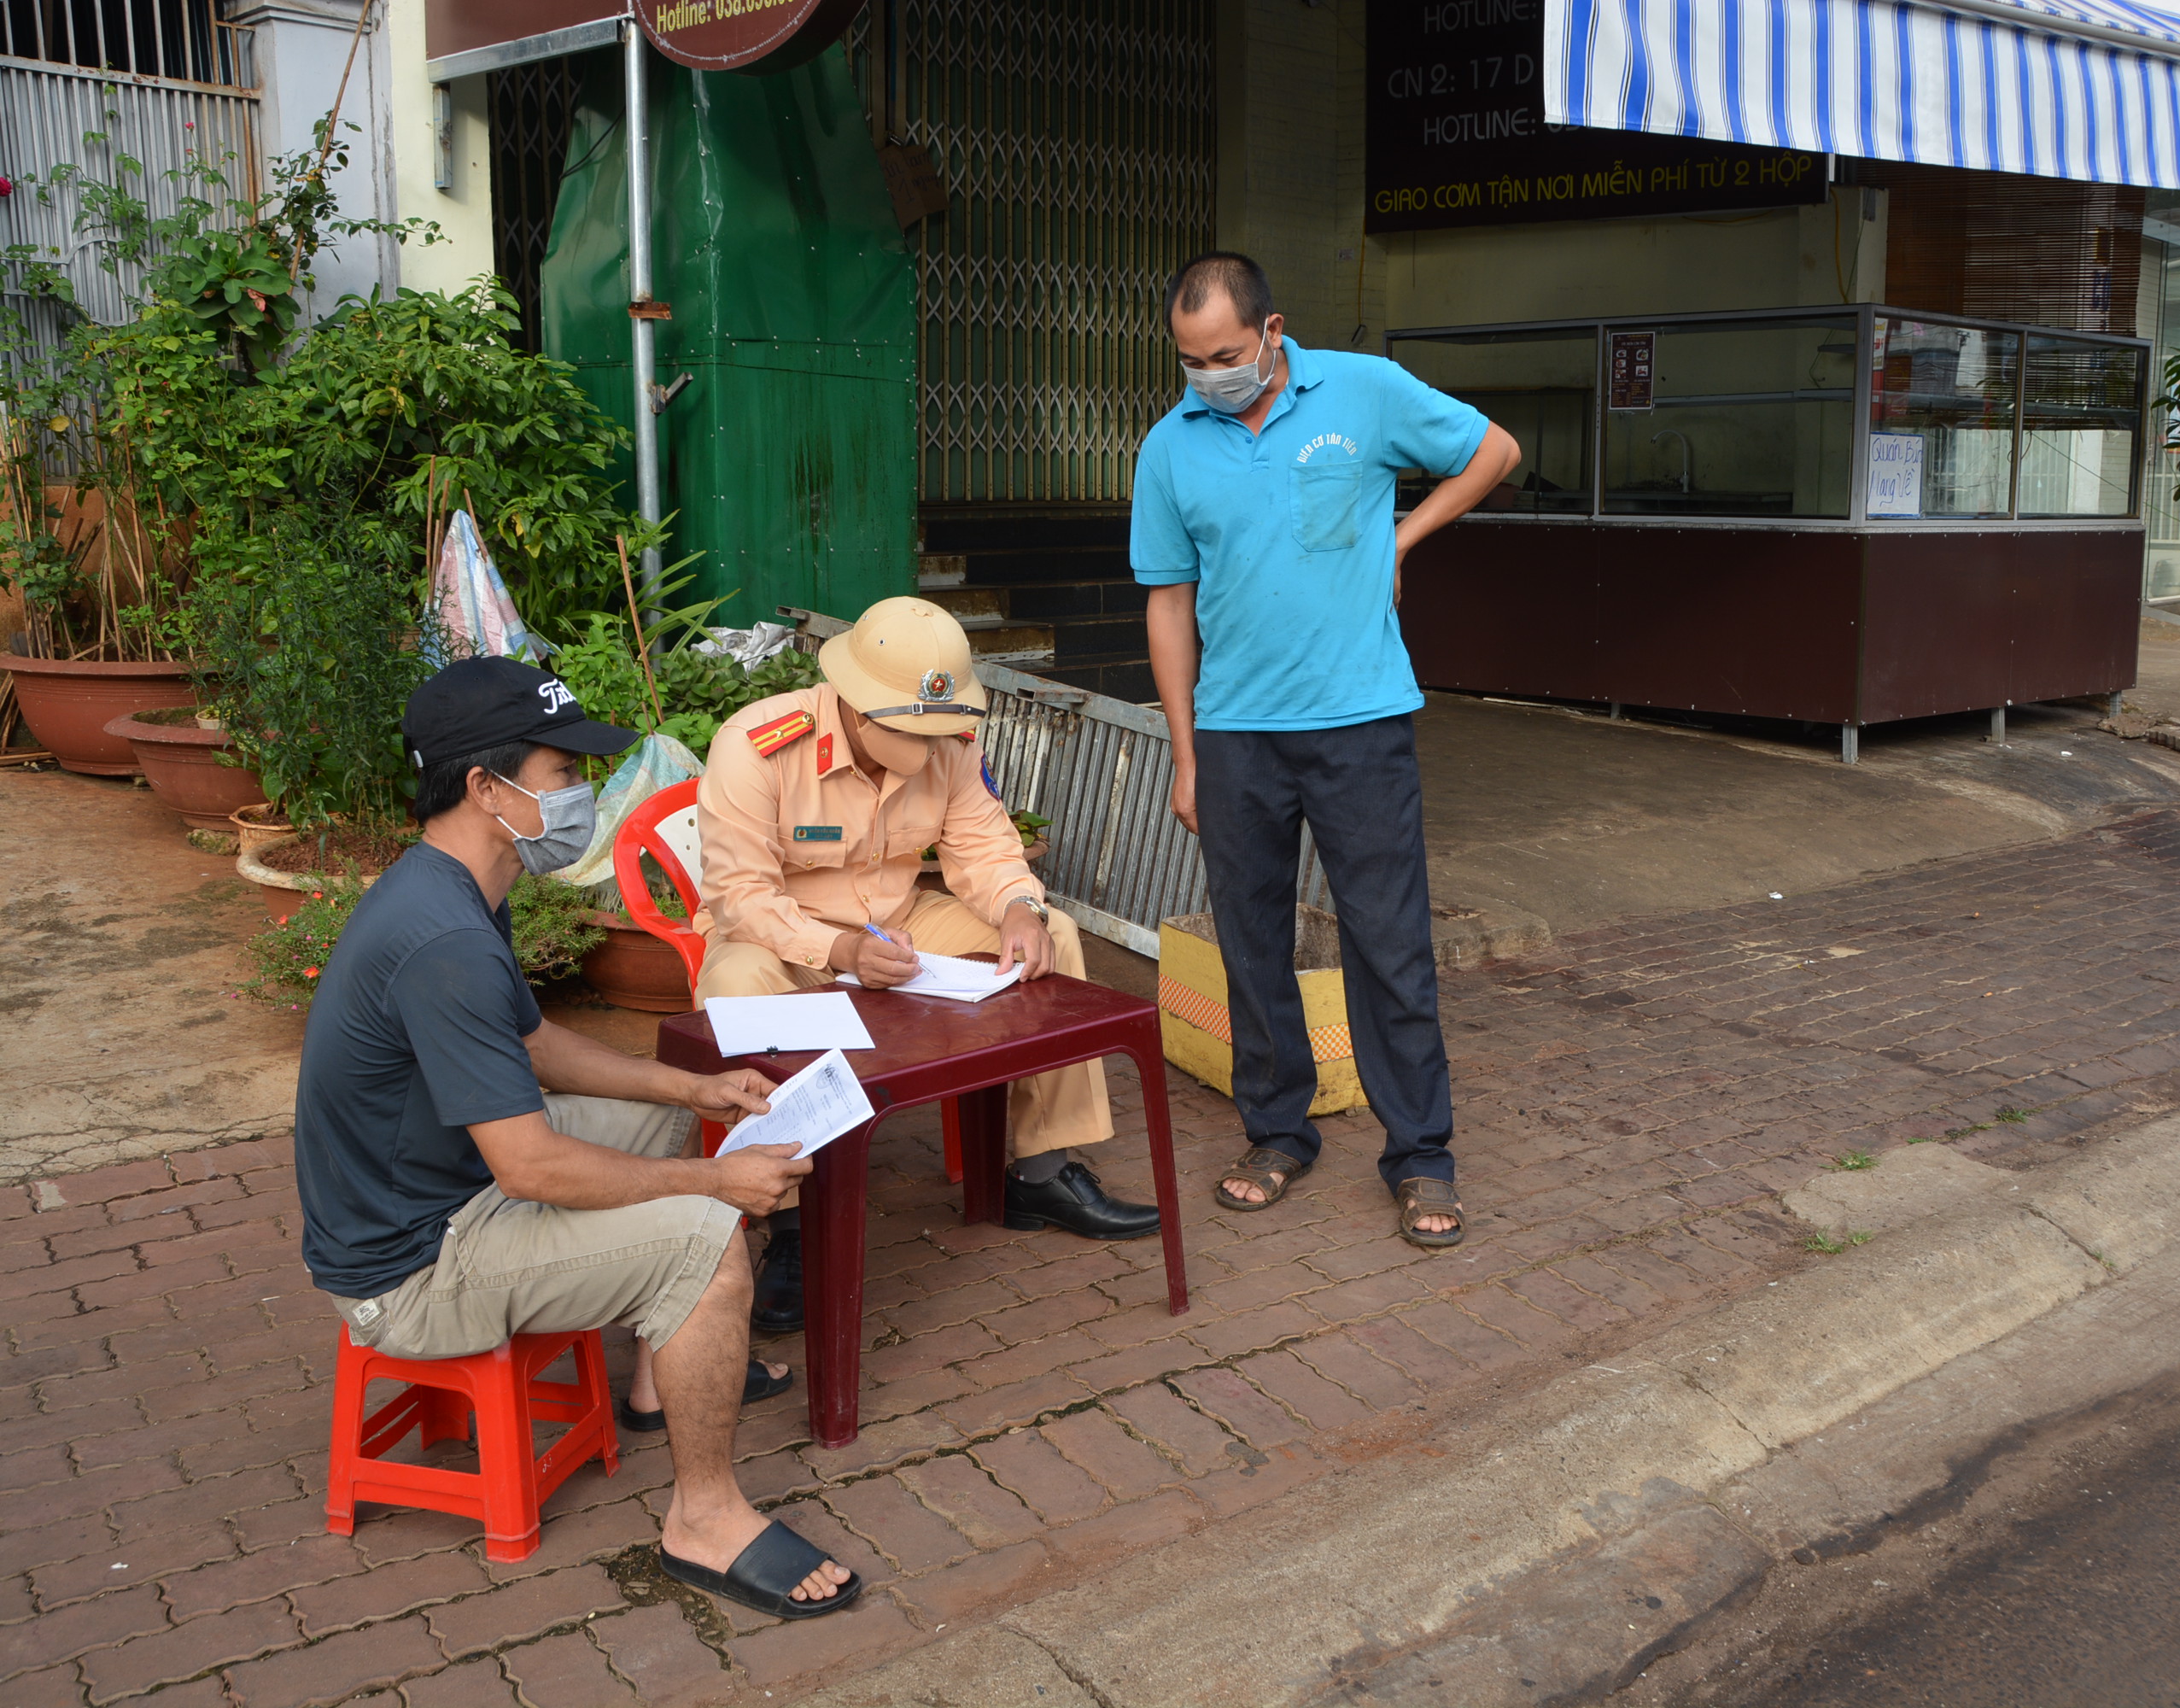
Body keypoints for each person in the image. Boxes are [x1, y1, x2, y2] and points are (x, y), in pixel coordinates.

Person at [293, 657, 857, 1621]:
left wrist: (693, 1083)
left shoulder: (458, 884)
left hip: (452, 1182)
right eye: (562, 773)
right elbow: (530, 1163)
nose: (582, 795)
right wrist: (710, 1187)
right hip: (415, 1266)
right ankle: (704, 1517)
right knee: (705, 1237)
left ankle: (656, 1380)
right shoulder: (444, 939)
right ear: (486, 787)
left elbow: (533, 1044)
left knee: (693, 1123)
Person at [1134, 250, 1520, 1249]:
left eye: (1223, 353)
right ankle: (1277, 1131)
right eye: (1188, 360)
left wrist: (1403, 538)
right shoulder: (1170, 446)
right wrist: (1184, 752)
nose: (1207, 374)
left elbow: (1493, 450)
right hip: (1233, 735)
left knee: (1388, 943)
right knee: (1251, 942)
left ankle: (1421, 1154)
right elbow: (1168, 604)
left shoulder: (1362, 389)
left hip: (1358, 724)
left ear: (1272, 330)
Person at [694, 595, 1160, 1331]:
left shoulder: (949, 744)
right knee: (735, 985)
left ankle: (1041, 1172)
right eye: (913, 726)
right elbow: (739, 894)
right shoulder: (756, 745)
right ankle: (788, 1228)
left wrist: (1019, 908)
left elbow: (986, 846)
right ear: (855, 704)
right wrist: (839, 949)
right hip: (783, 937)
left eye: (944, 726)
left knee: (1056, 937)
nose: (933, 742)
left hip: (898, 924)